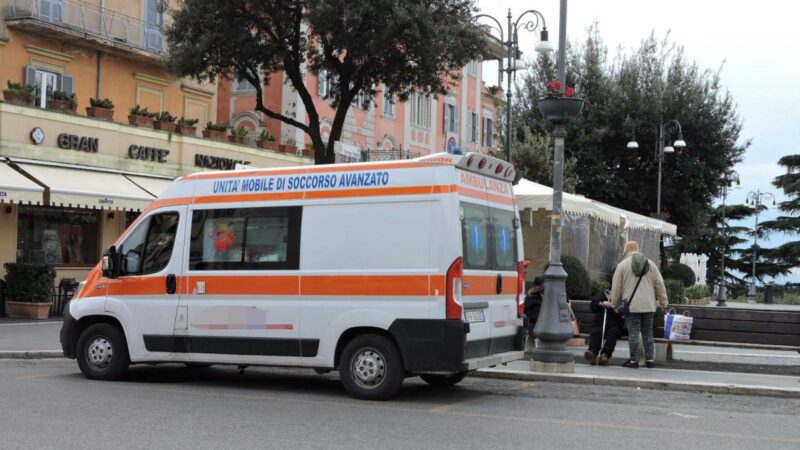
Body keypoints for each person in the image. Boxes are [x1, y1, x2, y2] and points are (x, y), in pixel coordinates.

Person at [610, 240, 668, 369]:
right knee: (648, 333)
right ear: (638, 249)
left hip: (632, 306)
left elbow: (616, 287)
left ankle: (633, 361)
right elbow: (660, 284)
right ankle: (650, 360)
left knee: (634, 333)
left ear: (626, 250)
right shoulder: (651, 264)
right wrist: (663, 302)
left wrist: (614, 303)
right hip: (649, 305)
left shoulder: (622, 265)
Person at [584, 289, 624, 366]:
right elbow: (593, 306)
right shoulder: (605, 294)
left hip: (615, 324)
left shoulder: (624, 296)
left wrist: (617, 309)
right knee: (596, 331)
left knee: (613, 333)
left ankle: (605, 355)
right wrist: (602, 303)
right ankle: (592, 353)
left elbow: (625, 311)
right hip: (600, 322)